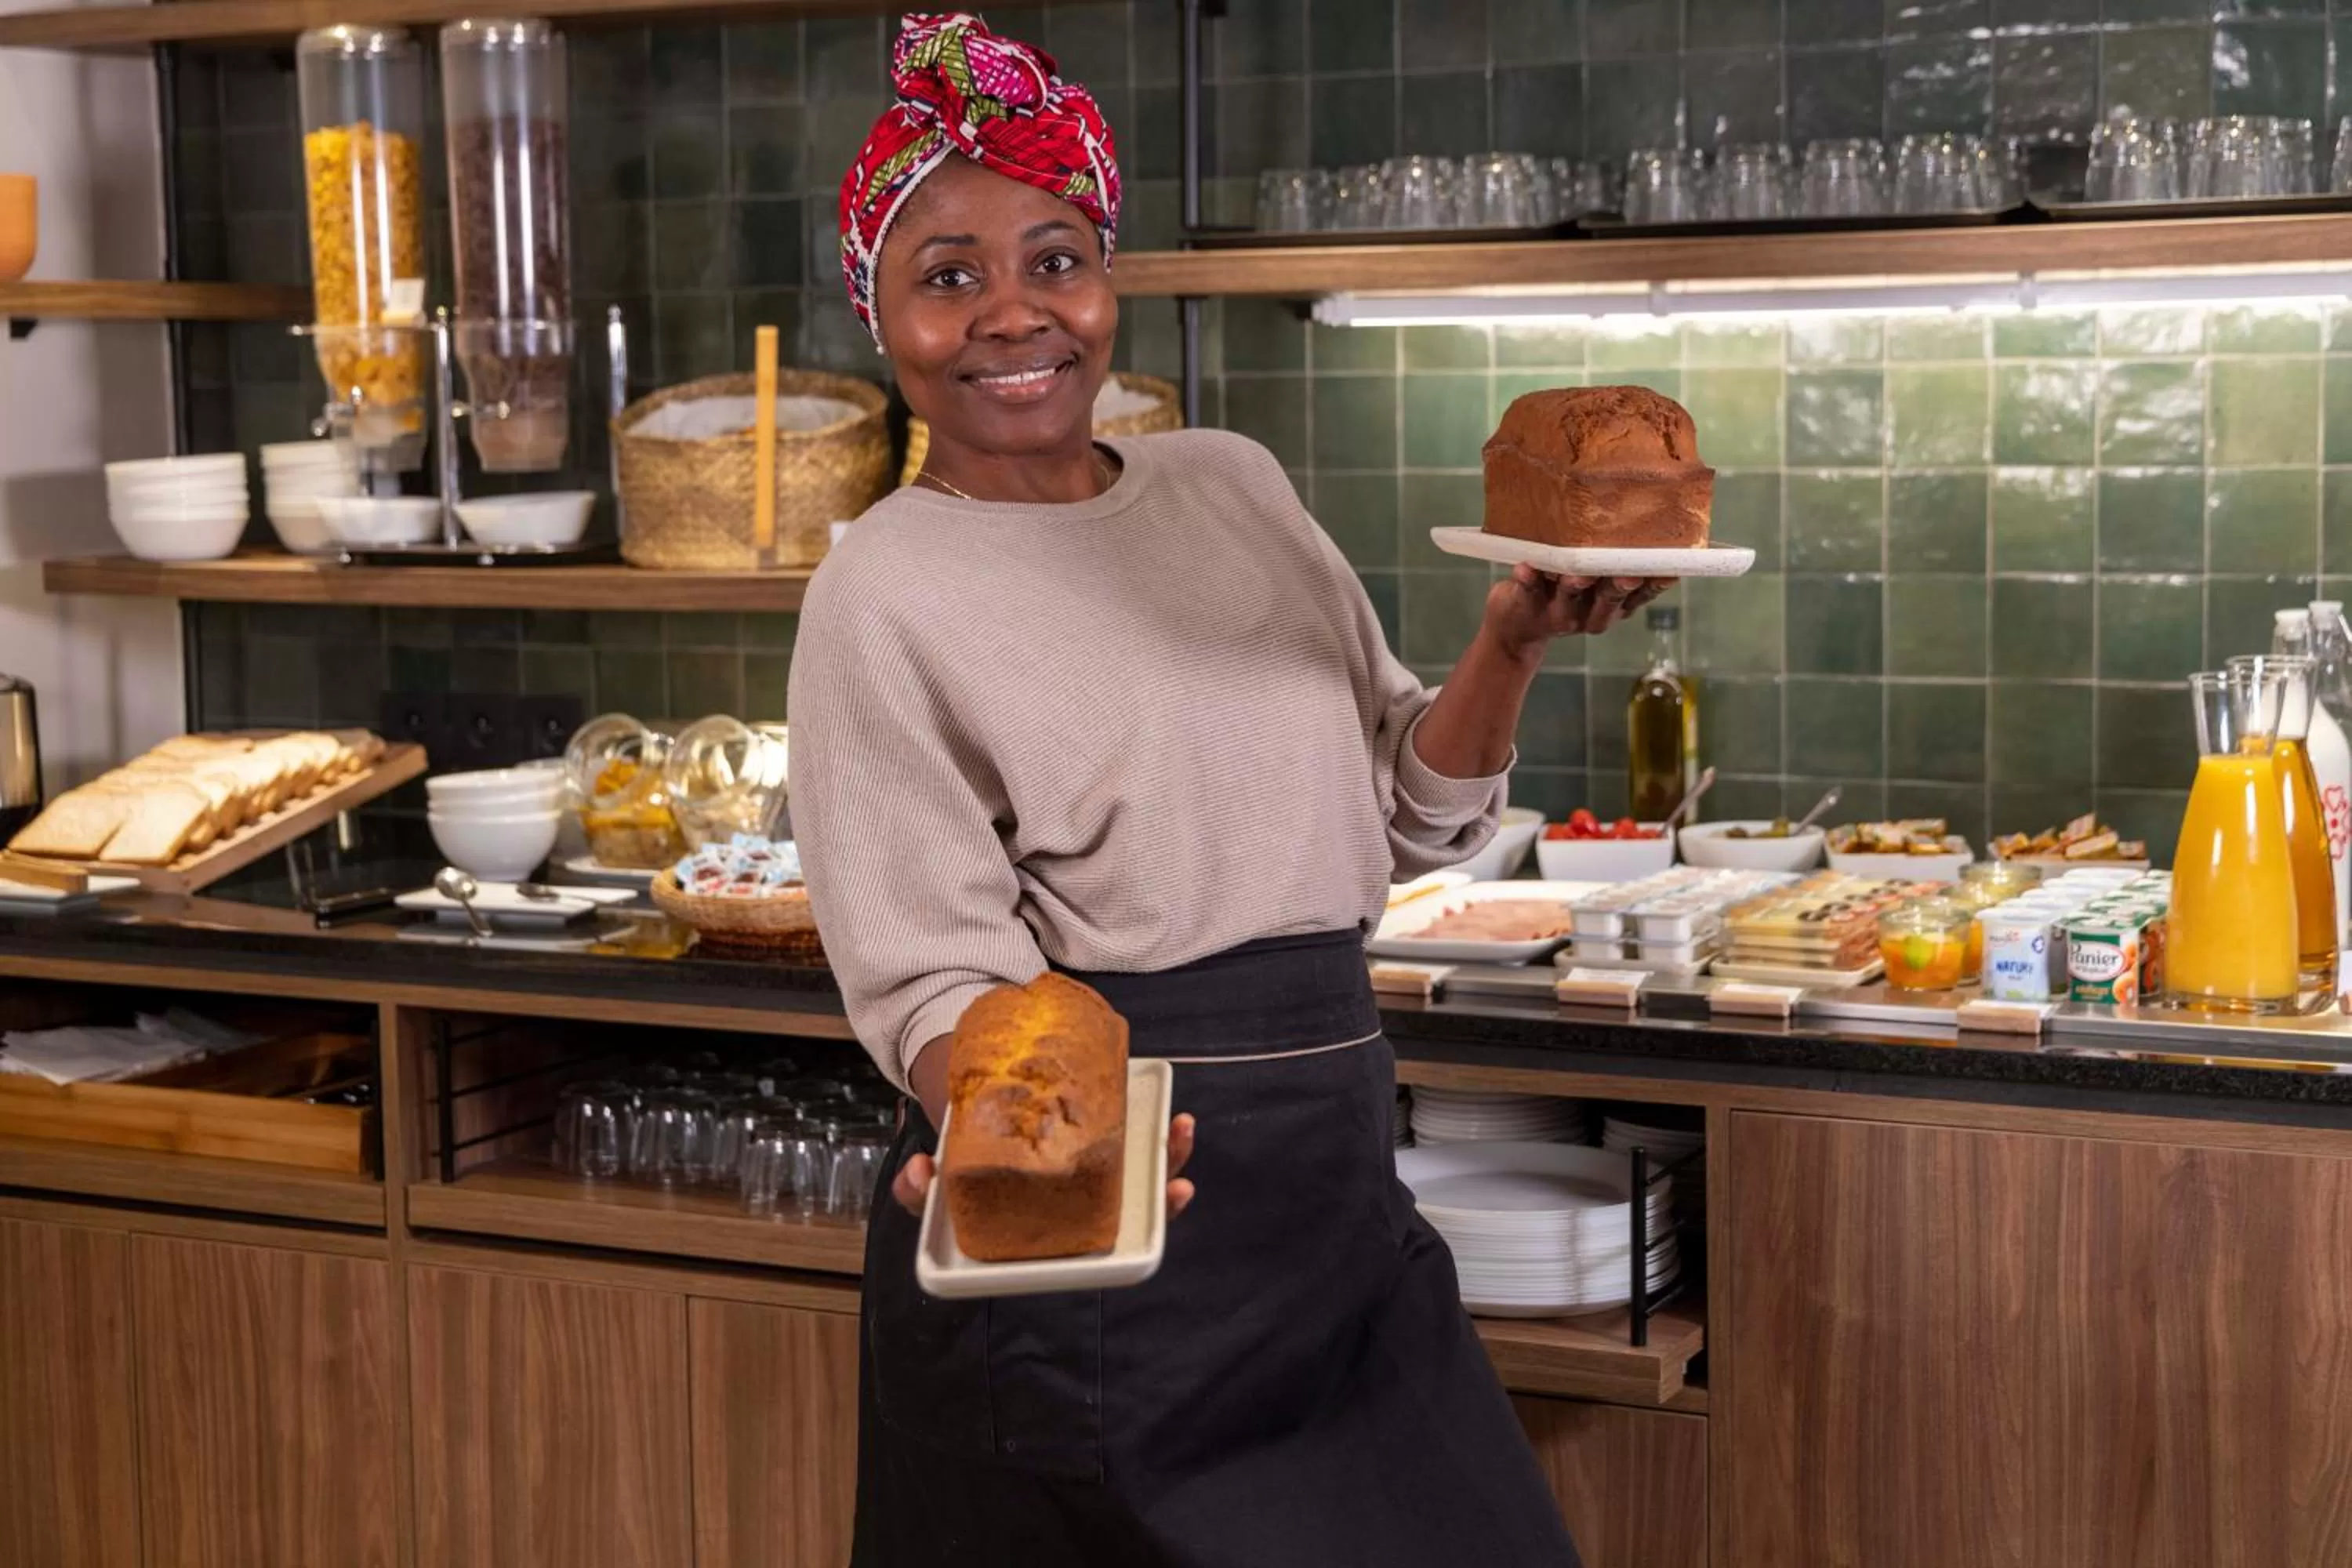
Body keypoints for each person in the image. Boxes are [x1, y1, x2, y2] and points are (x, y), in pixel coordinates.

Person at [790, 13, 1668, 1566]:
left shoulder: (1230, 483)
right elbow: (932, 975)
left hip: (1334, 1198)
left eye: (1055, 259)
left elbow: (1406, 809)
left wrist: (1511, 644)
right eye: (947, 275)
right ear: (882, 316)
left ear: (1105, 274)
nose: (1013, 315)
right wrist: (999, 1136)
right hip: (1109, 1219)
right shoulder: (884, 590)